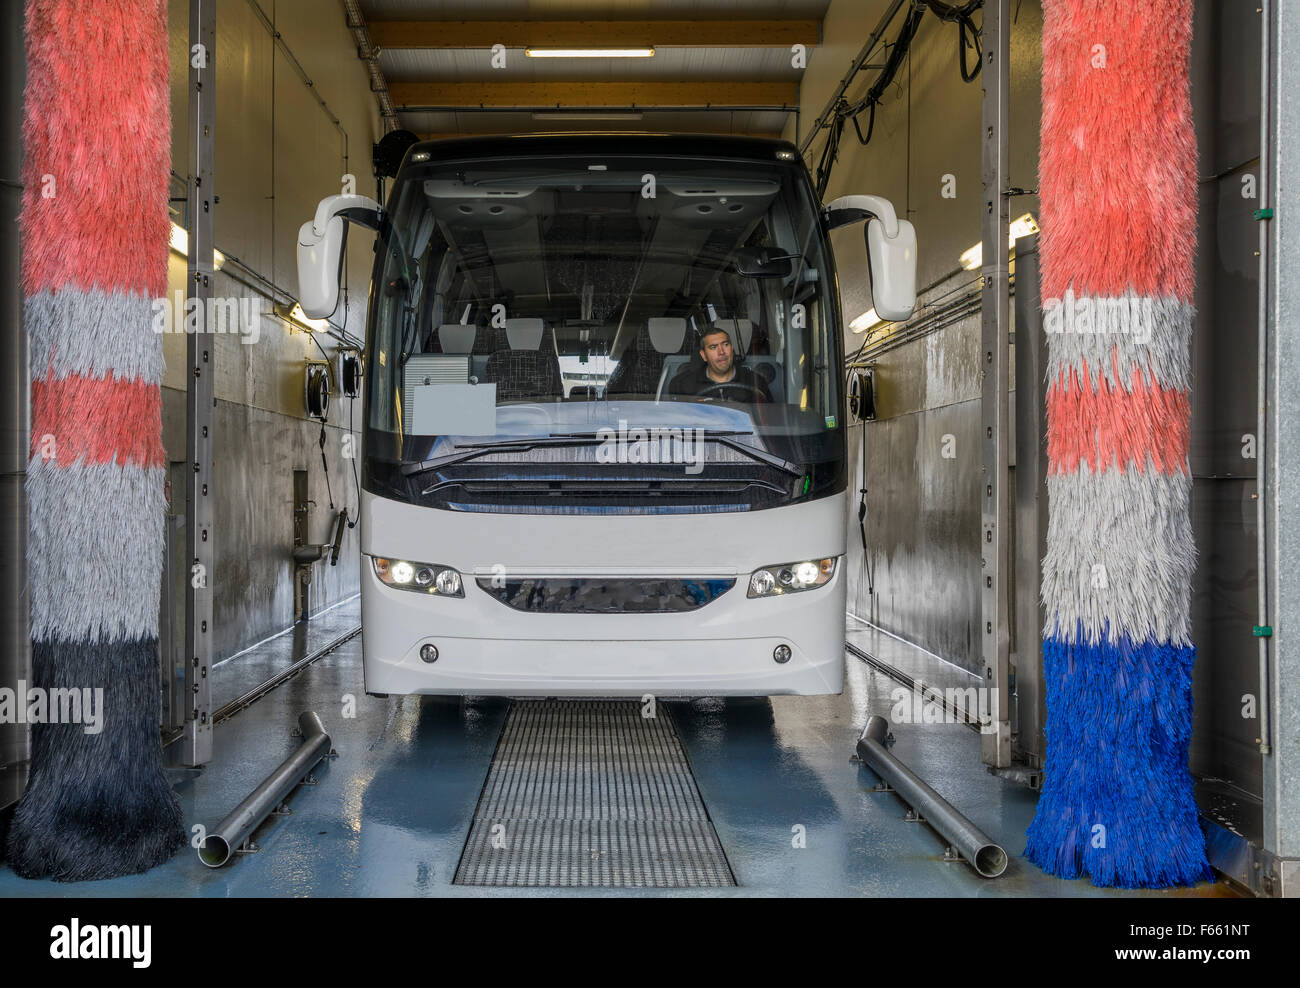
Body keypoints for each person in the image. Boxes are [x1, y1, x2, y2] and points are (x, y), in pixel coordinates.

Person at [667, 326, 771, 403]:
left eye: (725, 345)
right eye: (713, 347)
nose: (721, 352)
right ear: (704, 355)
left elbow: (767, 419)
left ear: (732, 349)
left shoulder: (755, 382)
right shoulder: (681, 385)